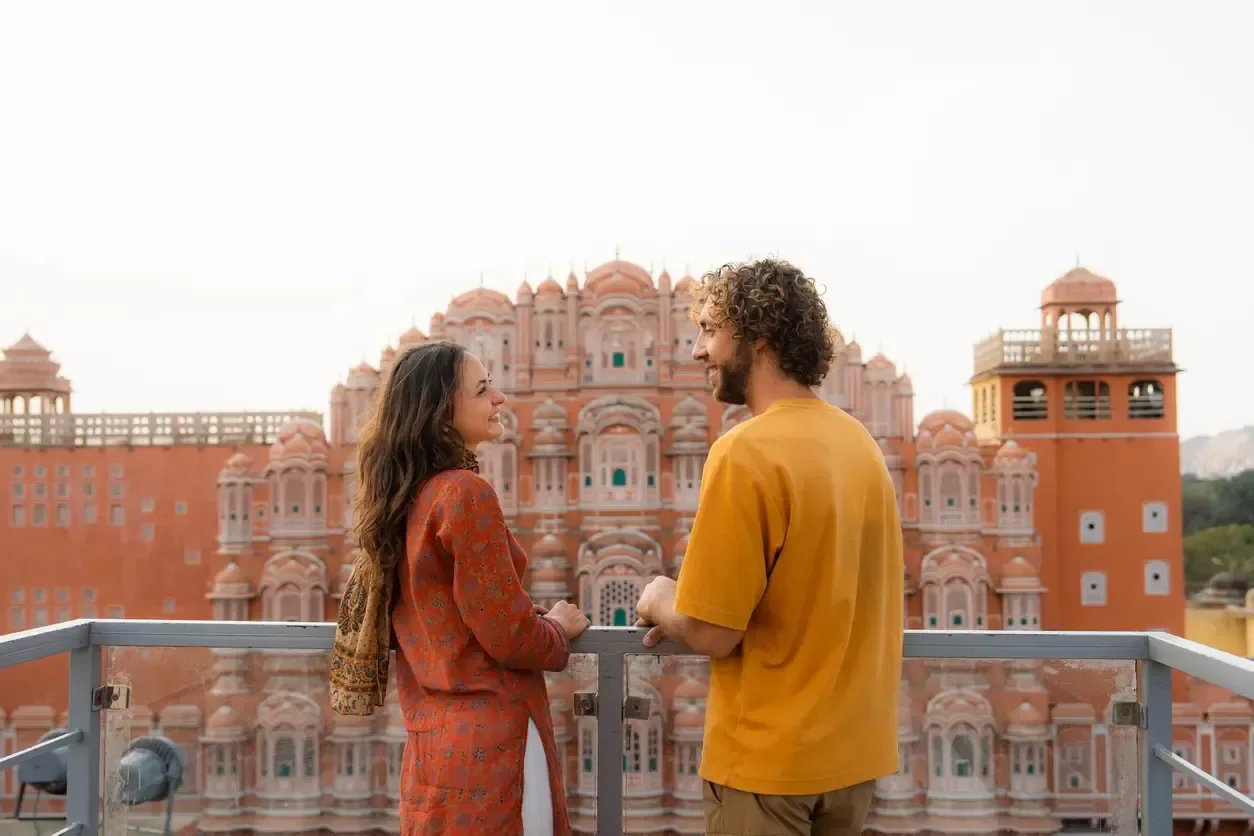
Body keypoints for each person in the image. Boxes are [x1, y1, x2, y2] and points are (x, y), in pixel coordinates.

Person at [635, 259, 904, 836]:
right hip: (855, 759)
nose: (697, 351)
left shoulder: (745, 452)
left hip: (768, 766)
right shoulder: (858, 443)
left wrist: (660, 598)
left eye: (710, 330)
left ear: (757, 336)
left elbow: (712, 631)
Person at [329, 340, 589, 836]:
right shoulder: (463, 494)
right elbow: (511, 636)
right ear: (443, 412)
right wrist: (556, 626)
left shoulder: (404, 498)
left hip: (431, 744)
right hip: (494, 752)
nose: (501, 399)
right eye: (483, 389)